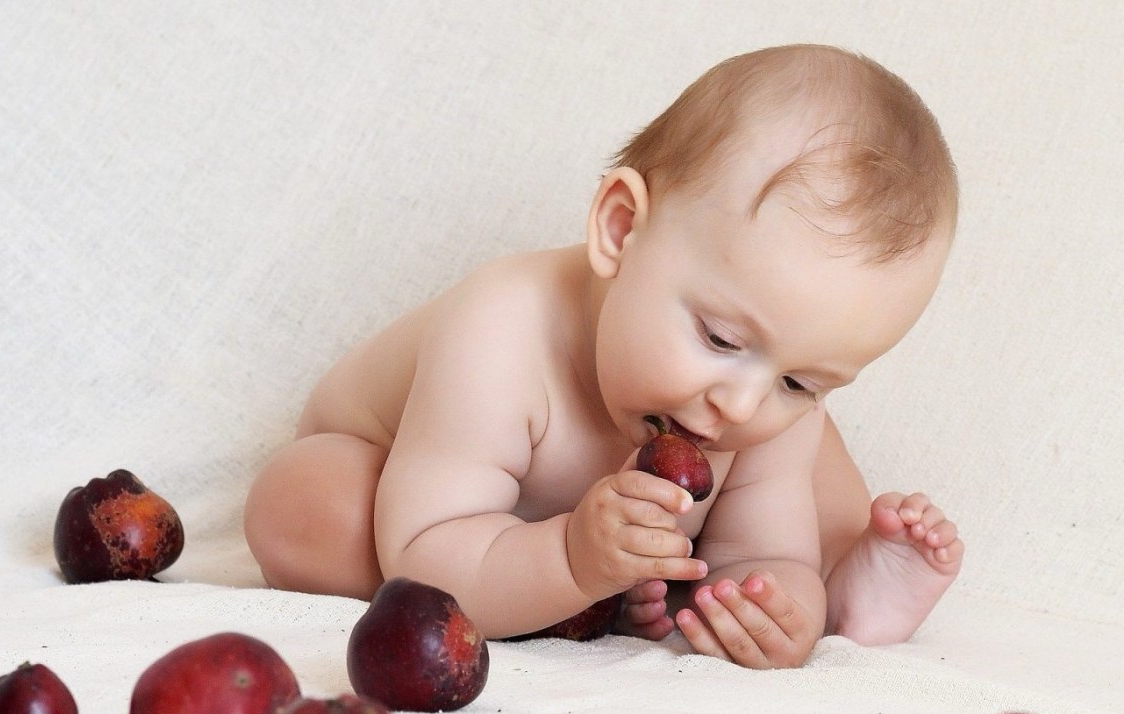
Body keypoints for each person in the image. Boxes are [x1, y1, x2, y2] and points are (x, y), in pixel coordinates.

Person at [244, 43, 964, 669]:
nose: (740, 403)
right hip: (413, 497)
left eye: (802, 380)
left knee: (812, 460)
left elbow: (763, 553)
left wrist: (775, 605)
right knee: (309, 504)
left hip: (602, 539)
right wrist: (568, 560)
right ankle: (565, 589)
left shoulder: (748, 397)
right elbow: (422, 556)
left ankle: (851, 591)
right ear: (620, 232)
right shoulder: (500, 331)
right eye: (718, 339)